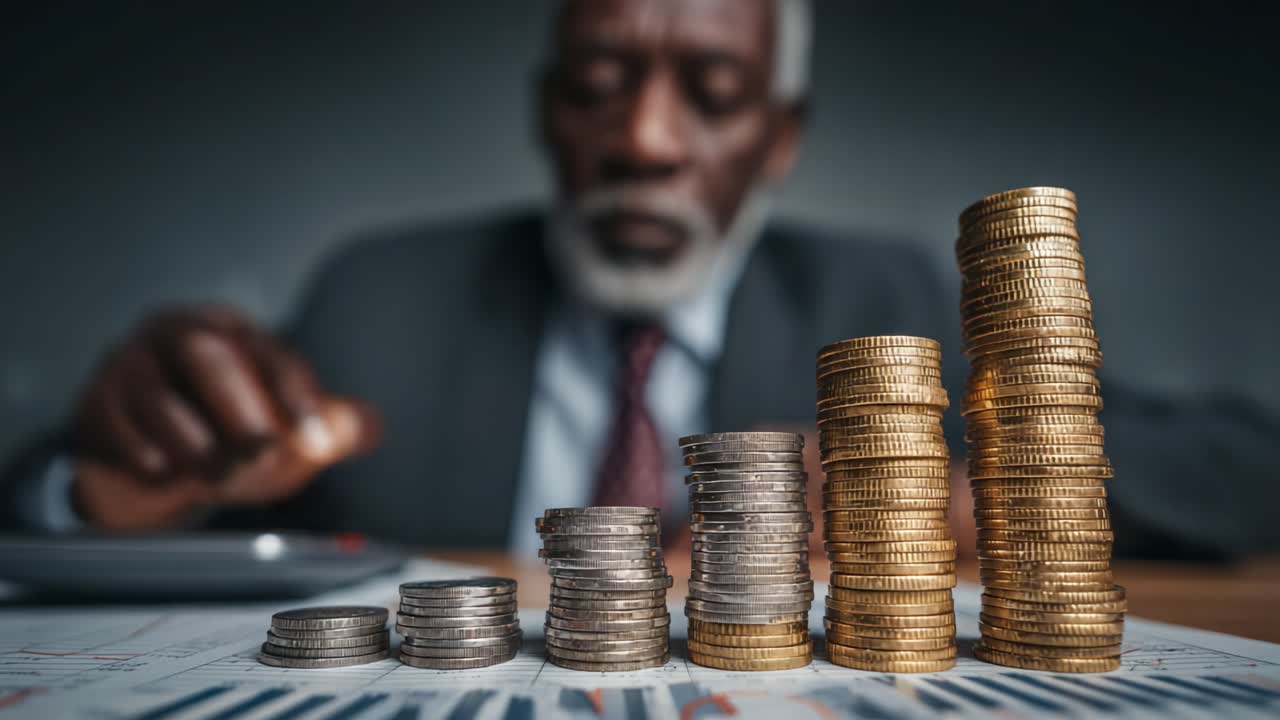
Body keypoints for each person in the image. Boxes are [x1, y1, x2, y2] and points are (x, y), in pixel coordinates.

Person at [2, 0, 1277, 560]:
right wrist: (106, 481)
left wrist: (961, 494)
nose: (644, 143)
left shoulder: (889, 298)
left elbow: (1241, 460)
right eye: (599, 85)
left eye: (712, 96)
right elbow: (41, 499)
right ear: (548, 111)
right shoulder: (377, 294)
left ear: (778, 139)